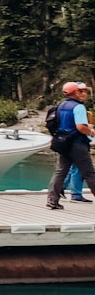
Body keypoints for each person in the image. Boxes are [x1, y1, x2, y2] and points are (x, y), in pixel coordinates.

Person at [46, 81, 95, 210]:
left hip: (63, 143)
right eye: (81, 91)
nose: (84, 93)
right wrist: (91, 132)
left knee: (60, 172)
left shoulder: (62, 105)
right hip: (77, 144)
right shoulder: (79, 107)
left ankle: (52, 200)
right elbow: (80, 127)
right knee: (90, 173)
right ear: (75, 92)